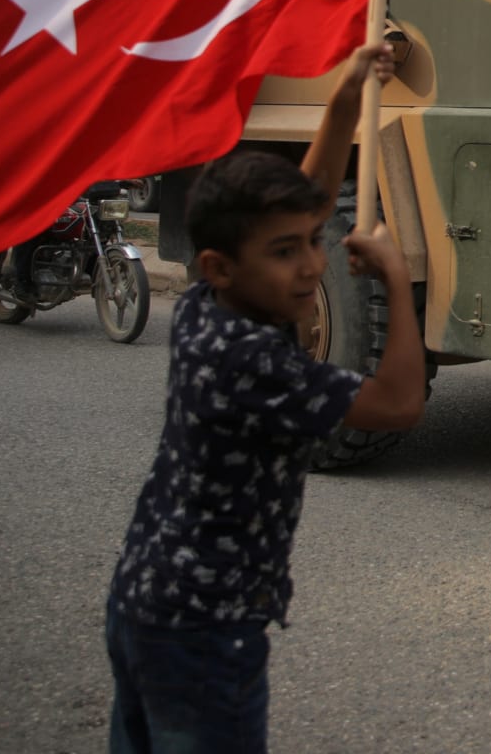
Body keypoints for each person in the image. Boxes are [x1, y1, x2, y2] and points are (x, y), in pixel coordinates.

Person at [103, 42, 422, 754]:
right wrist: (396, 280)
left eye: (311, 242)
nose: (312, 264)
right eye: (287, 253)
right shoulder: (251, 360)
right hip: (201, 634)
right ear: (220, 265)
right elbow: (398, 404)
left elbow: (300, 204)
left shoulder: (206, 308)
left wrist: (343, 100)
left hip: (146, 603)